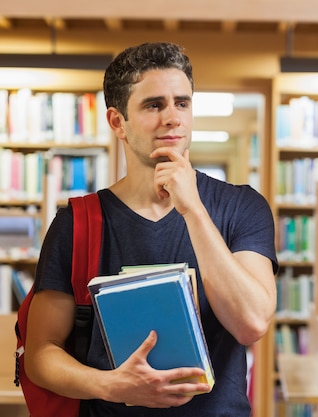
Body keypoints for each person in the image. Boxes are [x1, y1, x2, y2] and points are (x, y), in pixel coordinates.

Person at [24, 42, 278, 416]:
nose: (172, 117)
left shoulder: (242, 207)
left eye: (182, 103)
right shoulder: (78, 222)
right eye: (154, 105)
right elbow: (40, 354)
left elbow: (251, 323)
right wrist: (111, 385)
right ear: (117, 122)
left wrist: (192, 208)